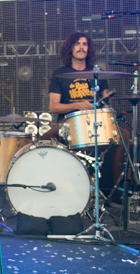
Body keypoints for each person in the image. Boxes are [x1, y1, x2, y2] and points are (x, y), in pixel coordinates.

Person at [41, 32, 130, 189]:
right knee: (42, 141)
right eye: (77, 44)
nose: (81, 47)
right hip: (68, 123)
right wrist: (78, 105)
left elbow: (106, 102)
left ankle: (121, 187)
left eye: (84, 44)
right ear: (70, 48)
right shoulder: (60, 74)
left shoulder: (98, 74)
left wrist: (109, 111)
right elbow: (53, 107)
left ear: (89, 49)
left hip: (96, 123)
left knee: (124, 135)